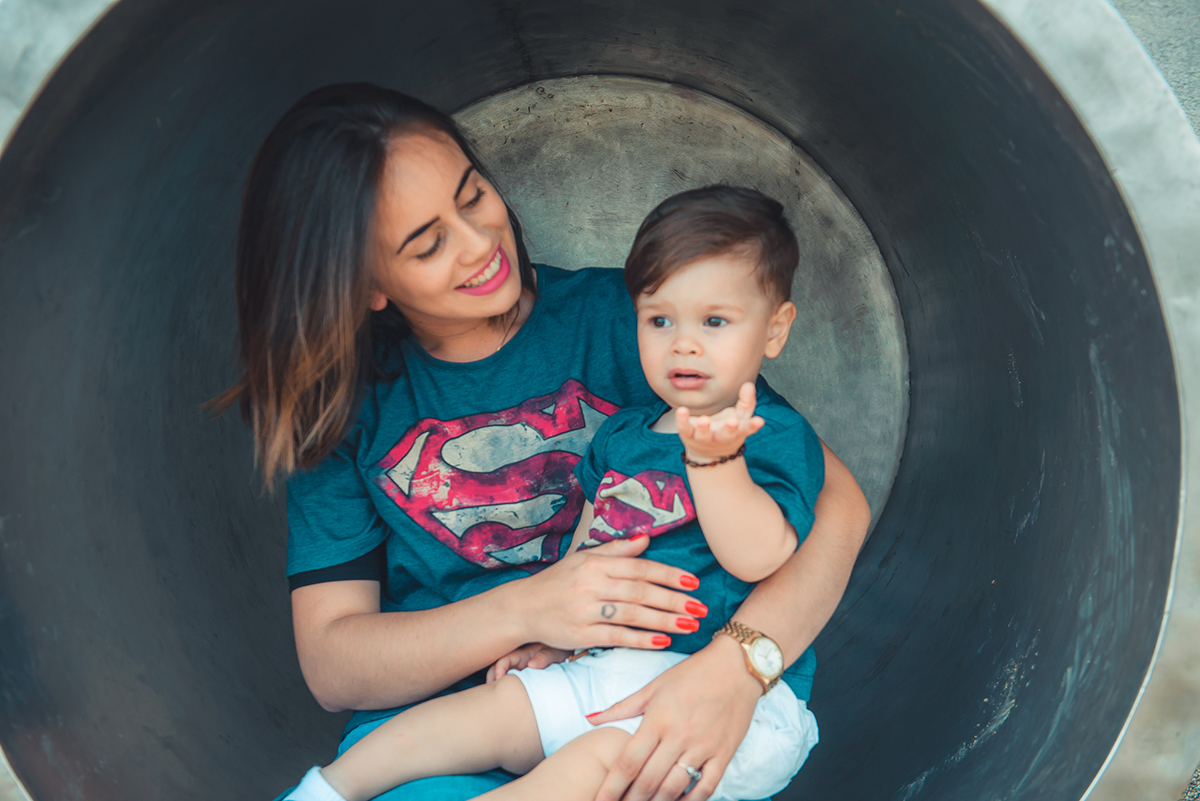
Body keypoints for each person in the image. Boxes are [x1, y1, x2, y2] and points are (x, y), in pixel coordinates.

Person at [216, 82, 869, 801]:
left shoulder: (636, 325)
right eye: (429, 243)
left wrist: (735, 669)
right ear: (366, 282)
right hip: (445, 729)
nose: (479, 244)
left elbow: (834, 505)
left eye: (473, 196)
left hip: (652, 698)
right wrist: (532, 606)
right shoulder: (347, 411)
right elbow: (335, 662)